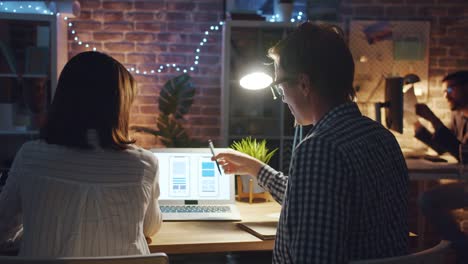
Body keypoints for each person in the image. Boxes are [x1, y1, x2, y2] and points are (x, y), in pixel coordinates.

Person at [213, 22, 409, 263]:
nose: (282, 98)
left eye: (280, 86)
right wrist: (255, 168)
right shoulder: (382, 138)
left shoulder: (321, 148)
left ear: (304, 84)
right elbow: (316, 199)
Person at [0, 51, 162, 257]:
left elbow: (3, 232)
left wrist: (35, 230)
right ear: (119, 107)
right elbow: (150, 228)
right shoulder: (144, 164)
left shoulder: (30, 155)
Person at [416, 71, 468, 264]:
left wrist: (432, 118)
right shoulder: (459, 117)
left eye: (450, 89)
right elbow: (444, 147)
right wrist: (418, 127)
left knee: (428, 200)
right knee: (427, 199)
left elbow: (461, 153)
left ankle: (461, 247)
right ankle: (461, 246)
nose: (446, 95)